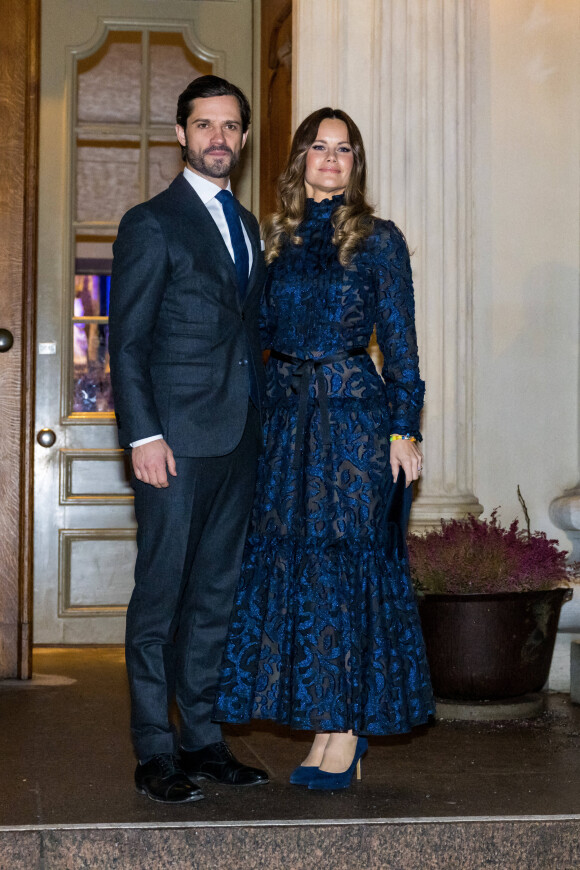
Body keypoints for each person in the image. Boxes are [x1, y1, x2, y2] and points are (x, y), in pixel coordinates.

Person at [213, 107, 435, 790]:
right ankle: (321, 725)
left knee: (344, 573)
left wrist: (404, 432)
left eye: (344, 150)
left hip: (350, 422)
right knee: (298, 576)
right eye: (319, 146)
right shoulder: (270, 240)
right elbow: (252, 338)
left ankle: (345, 731)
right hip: (284, 424)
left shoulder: (378, 240)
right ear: (299, 160)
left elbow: (400, 345)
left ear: (354, 164)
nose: (331, 158)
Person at [108, 75, 269, 804]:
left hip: (239, 441)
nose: (218, 139)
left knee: (214, 598)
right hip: (172, 441)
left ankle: (201, 740)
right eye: (204, 125)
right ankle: (153, 749)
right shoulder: (152, 222)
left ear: (242, 136)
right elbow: (128, 342)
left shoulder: (250, 226)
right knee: (161, 598)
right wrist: (143, 434)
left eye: (230, 127)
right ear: (181, 134)